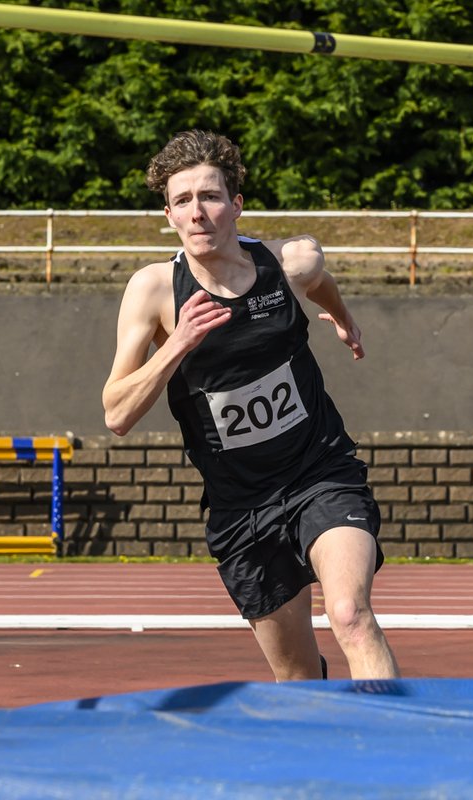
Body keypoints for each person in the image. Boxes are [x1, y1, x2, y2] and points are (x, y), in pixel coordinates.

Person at [102, 130, 399, 681]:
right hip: (241, 507)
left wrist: (342, 315)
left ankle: (386, 754)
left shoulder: (283, 267)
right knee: (298, 677)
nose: (198, 213)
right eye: (183, 201)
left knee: (350, 615)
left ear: (236, 205)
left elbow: (316, 276)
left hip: (320, 473)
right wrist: (179, 342)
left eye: (210, 197)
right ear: (168, 215)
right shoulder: (154, 291)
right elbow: (116, 413)